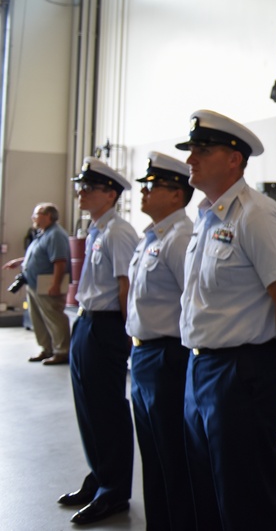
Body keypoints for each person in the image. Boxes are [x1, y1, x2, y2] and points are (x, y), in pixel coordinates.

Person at [176, 109, 276, 530]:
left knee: (246, 501)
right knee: (207, 493)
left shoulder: (256, 214)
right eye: (191, 150)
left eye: (202, 149)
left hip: (241, 372)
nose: (191, 159)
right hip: (201, 367)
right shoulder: (206, 217)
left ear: (234, 158)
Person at [59, 157, 140, 525]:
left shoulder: (119, 232)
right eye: (81, 186)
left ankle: (114, 490)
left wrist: (126, 335)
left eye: (88, 188)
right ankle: (99, 474)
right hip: (86, 322)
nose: (81, 192)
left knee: (107, 409)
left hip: (107, 325)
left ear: (110, 194)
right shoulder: (96, 229)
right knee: (87, 407)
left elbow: (126, 287)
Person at [126, 152, 196, 530]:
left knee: (171, 456)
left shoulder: (180, 238)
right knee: (151, 454)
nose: (145, 191)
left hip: (168, 357)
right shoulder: (151, 237)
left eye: (152, 186)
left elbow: (193, 300)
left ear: (175, 195)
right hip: (144, 356)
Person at [4, 203, 71, 365]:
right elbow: (39, 255)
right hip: (34, 284)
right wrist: (20, 262)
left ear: (48, 216)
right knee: (38, 319)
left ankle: (62, 351)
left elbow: (60, 262)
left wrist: (55, 285)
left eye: (37, 214)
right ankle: (46, 349)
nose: (33, 217)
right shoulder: (42, 234)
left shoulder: (56, 235)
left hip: (47, 284)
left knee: (54, 318)